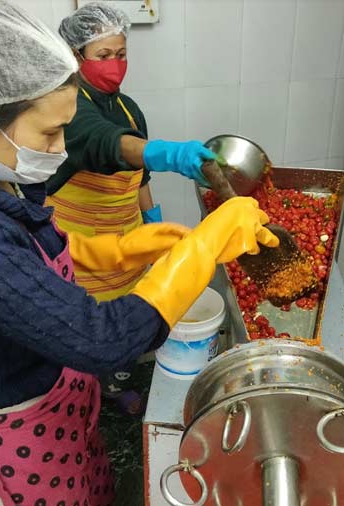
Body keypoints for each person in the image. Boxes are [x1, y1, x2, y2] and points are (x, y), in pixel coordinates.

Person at [0, 1, 277, 505]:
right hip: (10, 435)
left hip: (58, 406)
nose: (63, 147)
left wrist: (116, 248)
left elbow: (22, 260)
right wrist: (204, 246)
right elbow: (102, 340)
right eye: (49, 132)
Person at [51, 2, 219, 411]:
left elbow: (137, 171)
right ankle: (82, 394)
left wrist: (151, 217)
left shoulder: (129, 108)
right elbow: (103, 142)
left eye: (121, 53)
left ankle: (116, 382)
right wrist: (168, 154)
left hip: (125, 234)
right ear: (76, 57)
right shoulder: (66, 106)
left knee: (126, 309)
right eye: (103, 56)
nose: (115, 64)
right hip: (81, 242)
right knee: (86, 324)